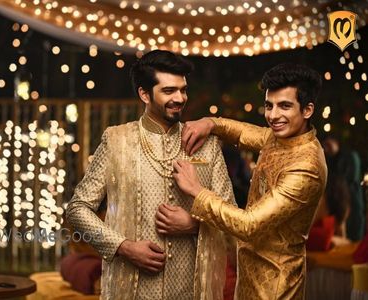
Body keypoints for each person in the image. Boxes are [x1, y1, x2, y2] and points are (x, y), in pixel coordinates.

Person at [66, 50, 235, 300]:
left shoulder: (207, 146)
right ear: (144, 94)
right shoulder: (117, 141)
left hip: (191, 291)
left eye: (183, 90)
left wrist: (194, 225)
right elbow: (77, 209)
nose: (179, 98)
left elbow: (233, 222)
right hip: (131, 289)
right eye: (168, 91)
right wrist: (124, 247)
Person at [173, 63, 327, 299]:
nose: (273, 116)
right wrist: (211, 122)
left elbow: (249, 225)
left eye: (285, 106)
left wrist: (196, 190)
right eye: (269, 106)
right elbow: (243, 133)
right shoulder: (279, 138)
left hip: (275, 284)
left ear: (307, 110)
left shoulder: (306, 166)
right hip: (249, 274)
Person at [322, 136, 365, 240]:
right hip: (339, 201)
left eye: (328, 144)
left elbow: (349, 178)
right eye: (325, 146)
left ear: (336, 142)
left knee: (354, 230)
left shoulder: (351, 156)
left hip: (352, 199)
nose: (327, 149)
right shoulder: (329, 159)